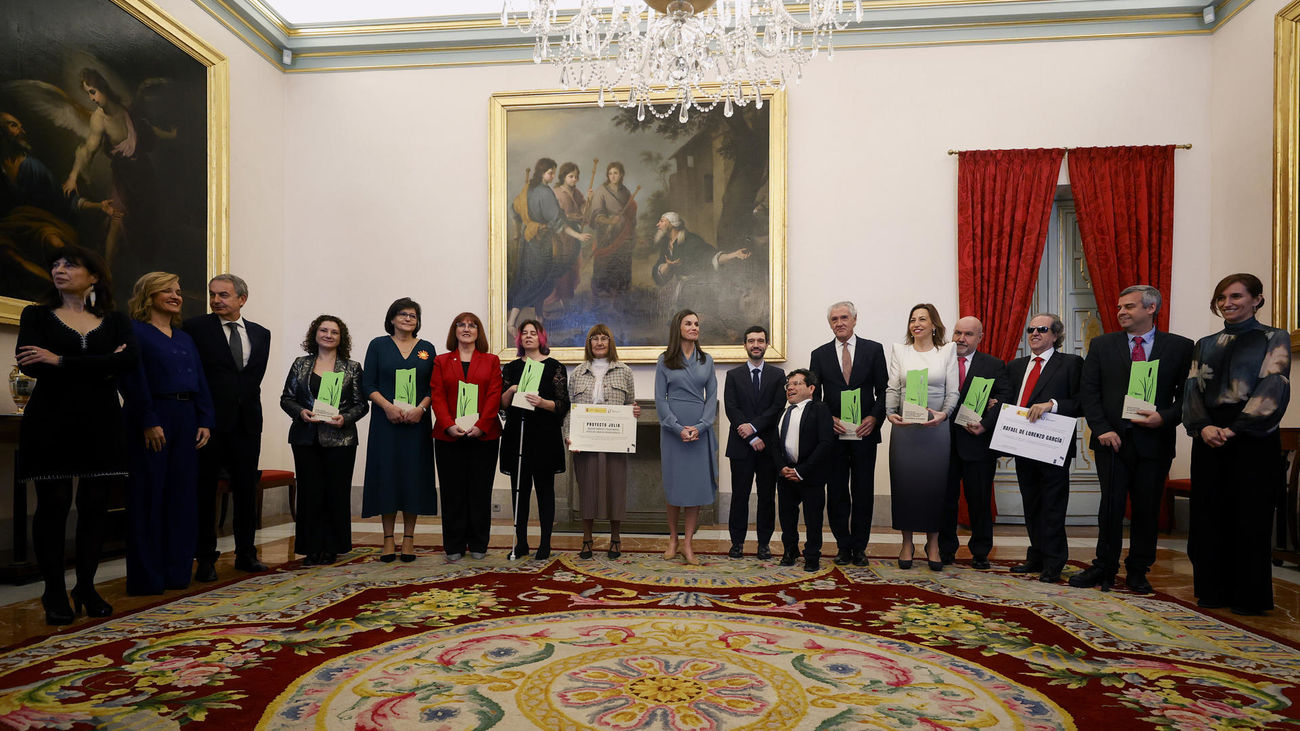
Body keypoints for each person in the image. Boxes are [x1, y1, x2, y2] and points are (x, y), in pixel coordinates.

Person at [15, 247, 136, 625]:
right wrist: (101, 364)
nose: (59, 269)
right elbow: (29, 362)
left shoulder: (115, 320)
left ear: (94, 276)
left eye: (70, 264)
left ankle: (86, 585)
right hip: (51, 419)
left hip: (102, 421)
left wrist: (60, 360)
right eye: (55, 264)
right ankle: (53, 591)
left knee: (95, 505)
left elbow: (128, 362)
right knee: (52, 504)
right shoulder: (36, 315)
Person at [1072, 286, 1193, 594]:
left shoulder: (1180, 347)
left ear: (1151, 309)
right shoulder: (1102, 345)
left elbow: (1188, 396)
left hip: (1154, 442)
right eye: (1119, 307)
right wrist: (1101, 429)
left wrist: (1164, 417)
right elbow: (1090, 392)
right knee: (1110, 507)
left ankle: (1139, 570)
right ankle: (1104, 567)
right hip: (1111, 442)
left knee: (1146, 508)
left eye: (1128, 307)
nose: (1121, 312)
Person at [1183, 273, 1291, 615]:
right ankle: (1212, 591)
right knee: (1208, 517)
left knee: (1250, 519)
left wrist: (1236, 428)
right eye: (1221, 298)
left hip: (1252, 441)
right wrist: (1202, 428)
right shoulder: (1205, 342)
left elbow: (1274, 385)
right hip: (1209, 438)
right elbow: (1192, 389)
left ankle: (1249, 597)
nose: (1227, 303)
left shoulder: (1274, 337)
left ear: (1257, 299)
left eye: (1236, 296)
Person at [120, 272, 214, 595]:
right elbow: (132, 378)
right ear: (149, 295)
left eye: (178, 291)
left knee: (182, 497)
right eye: (168, 291)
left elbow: (200, 380)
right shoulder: (135, 332)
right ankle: (149, 577)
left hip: (187, 419)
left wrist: (205, 419)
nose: (176, 296)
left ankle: (177, 573)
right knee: (149, 497)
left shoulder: (184, 337)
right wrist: (147, 419)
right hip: (152, 418)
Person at [184, 274, 272, 578]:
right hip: (209, 424)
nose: (216, 300)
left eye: (223, 295)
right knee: (204, 491)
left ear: (241, 299)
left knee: (246, 491)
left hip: (247, 424)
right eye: (213, 295)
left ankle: (246, 553)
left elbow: (251, 379)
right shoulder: (195, 329)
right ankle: (205, 559)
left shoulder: (261, 334)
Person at [994, 313, 1083, 584]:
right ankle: (1036, 557)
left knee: (1053, 505)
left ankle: (1055, 562)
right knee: (1031, 503)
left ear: (1055, 335)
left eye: (1042, 329)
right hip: (1023, 445)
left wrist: (1052, 404)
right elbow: (1008, 399)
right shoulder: (1016, 365)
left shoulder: (1071, 364)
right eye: (1031, 329)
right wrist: (995, 404)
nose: (1034, 333)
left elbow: (1082, 402)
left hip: (1052, 446)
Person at [280, 315, 368, 566]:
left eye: (334, 332)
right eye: (323, 330)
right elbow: (286, 398)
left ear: (342, 338)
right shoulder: (300, 364)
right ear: (314, 334)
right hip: (305, 438)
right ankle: (310, 548)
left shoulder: (351, 367)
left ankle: (332, 547)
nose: (328, 335)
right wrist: (300, 412)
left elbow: (361, 405)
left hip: (340, 440)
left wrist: (345, 418)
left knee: (336, 494)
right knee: (309, 494)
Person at [63, 68, 173, 262]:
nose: (91, 98)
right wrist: (73, 176)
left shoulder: (126, 108)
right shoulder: (99, 119)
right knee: (117, 218)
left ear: (102, 87)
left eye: (92, 91)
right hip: (124, 176)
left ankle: (145, 262)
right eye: (88, 93)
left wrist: (171, 136)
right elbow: (88, 149)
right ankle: (107, 269)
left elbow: (148, 129)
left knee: (148, 217)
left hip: (143, 172)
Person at [1, 111, 112, 301]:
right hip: (9, 228)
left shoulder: (32, 167)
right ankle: (51, 288)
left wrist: (97, 206)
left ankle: (84, 294)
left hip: (41, 224)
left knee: (55, 243)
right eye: (13, 125)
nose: (22, 131)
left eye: (20, 125)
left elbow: (64, 199)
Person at [809, 301, 888, 567]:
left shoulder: (873, 350)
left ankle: (859, 547)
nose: (839, 322)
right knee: (838, 492)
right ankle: (843, 546)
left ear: (855, 319)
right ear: (829, 323)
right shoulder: (818, 355)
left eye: (844, 317)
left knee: (863, 491)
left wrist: (874, 418)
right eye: (834, 319)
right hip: (833, 437)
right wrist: (826, 419)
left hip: (865, 434)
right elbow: (814, 397)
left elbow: (884, 390)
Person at [361, 298, 437, 563]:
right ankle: (387, 539)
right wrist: (387, 407)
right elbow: (367, 384)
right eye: (402, 314)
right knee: (388, 477)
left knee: (413, 477)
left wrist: (421, 409)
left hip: (417, 424)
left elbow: (432, 388)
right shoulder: (378, 345)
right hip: (386, 424)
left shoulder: (427, 348)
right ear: (391, 318)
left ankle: (409, 539)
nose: (408, 318)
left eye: (413, 315)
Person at [885, 304, 960, 571]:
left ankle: (934, 544)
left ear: (934, 324)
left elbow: (953, 390)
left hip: (936, 429)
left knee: (934, 487)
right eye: (912, 320)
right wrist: (889, 413)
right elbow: (893, 386)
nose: (916, 324)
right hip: (905, 428)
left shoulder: (947, 350)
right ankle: (907, 543)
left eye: (922, 319)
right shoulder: (900, 351)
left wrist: (945, 414)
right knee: (905, 486)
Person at [430, 312, 502, 561]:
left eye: (472, 325)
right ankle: (454, 545)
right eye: (461, 324)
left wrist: (482, 425)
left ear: (478, 332)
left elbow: (494, 394)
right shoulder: (441, 361)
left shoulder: (491, 360)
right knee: (452, 492)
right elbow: (437, 395)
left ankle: (479, 543)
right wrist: (448, 425)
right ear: (455, 331)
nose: (467, 328)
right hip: (449, 437)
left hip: (484, 436)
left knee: (480, 491)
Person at [567, 323, 641, 559]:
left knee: (615, 488)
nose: (599, 342)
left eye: (604, 338)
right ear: (589, 343)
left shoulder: (625, 371)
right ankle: (587, 539)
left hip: (615, 443)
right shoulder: (578, 372)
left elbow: (631, 404)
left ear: (611, 342)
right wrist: (569, 435)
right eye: (594, 339)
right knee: (586, 488)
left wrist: (634, 412)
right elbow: (570, 409)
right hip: (585, 443)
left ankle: (615, 539)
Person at [500, 319, 569, 560]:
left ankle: (545, 543)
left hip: (544, 437)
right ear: (519, 339)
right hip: (517, 436)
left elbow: (562, 405)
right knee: (519, 492)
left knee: (544, 492)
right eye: (524, 333)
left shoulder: (555, 367)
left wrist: (542, 403)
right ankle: (521, 543)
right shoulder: (510, 368)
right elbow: (502, 406)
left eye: (534, 333)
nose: (529, 336)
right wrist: (511, 390)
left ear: (542, 337)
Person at [654, 309, 718, 565]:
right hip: (673, 433)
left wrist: (700, 426)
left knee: (695, 488)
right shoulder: (664, 360)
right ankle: (673, 538)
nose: (694, 327)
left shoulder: (707, 360)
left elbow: (712, 396)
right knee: (675, 487)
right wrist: (676, 427)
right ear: (677, 328)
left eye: (697, 324)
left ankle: (688, 543)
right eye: (688, 323)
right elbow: (660, 399)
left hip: (698, 431)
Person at [939, 316, 1004, 570]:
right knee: (945, 500)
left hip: (977, 443)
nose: (961, 339)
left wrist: (987, 422)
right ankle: (945, 550)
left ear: (980, 337)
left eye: (967, 334)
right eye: (957, 333)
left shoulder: (994, 365)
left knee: (979, 501)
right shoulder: (940, 361)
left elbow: (1003, 396)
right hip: (943, 442)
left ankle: (980, 552)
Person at [506, 158, 592, 333]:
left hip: (528, 240)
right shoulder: (545, 193)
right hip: (542, 243)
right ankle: (511, 323)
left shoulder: (528, 189)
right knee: (536, 281)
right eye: (550, 172)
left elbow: (514, 209)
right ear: (542, 173)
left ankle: (539, 319)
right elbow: (557, 222)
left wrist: (517, 231)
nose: (553, 175)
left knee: (540, 280)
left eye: (553, 172)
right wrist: (578, 235)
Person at [722, 325, 785, 559]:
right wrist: (750, 435)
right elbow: (731, 408)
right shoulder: (733, 375)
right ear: (745, 345)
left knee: (767, 497)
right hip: (741, 446)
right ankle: (737, 543)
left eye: (760, 340)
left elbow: (777, 408)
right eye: (751, 341)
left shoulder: (778, 376)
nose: (756, 345)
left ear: (766, 344)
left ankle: (763, 544)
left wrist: (756, 428)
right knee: (740, 495)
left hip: (768, 447)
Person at [773, 369, 836, 572]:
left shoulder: (820, 409)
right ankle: (790, 550)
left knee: (813, 518)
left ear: (810, 389)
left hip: (811, 475)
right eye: (788, 385)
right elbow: (773, 443)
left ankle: (812, 555)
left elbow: (826, 443)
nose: (790, 387)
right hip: (786, 475)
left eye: (797, 383)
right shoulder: (782, 412)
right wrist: (781, 467)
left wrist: (802, 470)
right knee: (787, 517)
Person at [651, 212, 749, 315]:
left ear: (672, 224)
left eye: (662, 221)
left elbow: (710, 257)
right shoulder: (666, 245)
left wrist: (733, 255)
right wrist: (668, 266)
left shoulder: (692, 240)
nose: (658, 224)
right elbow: (661, 270)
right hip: (682, 292)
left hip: (699, 292)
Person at [587, 162, 637, 296]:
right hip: (607, 233)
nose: (613, 176)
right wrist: (609, 221)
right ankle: (602, 290)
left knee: (623, 259)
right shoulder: (601, 191)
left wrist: (628, 222)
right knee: (605, 261)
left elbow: (630, 212)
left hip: (623, 233)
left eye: (615, 173)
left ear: (621, 175)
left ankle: (622, 289)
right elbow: (596, 214)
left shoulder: (625, 191)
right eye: (610, 173)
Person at [549, 162, 586, 307]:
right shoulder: (556, 192)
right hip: (560, 236)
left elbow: (583, 207)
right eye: (571, 176)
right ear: (563, 176)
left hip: (575, 235)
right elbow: (556, 217)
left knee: (574, 267)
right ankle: (561, 299)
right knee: (562, 267)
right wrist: (573, 218)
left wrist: (586, 204)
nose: (574, 179)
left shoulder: (577, 193)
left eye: (576, 177)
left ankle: (568, 298)